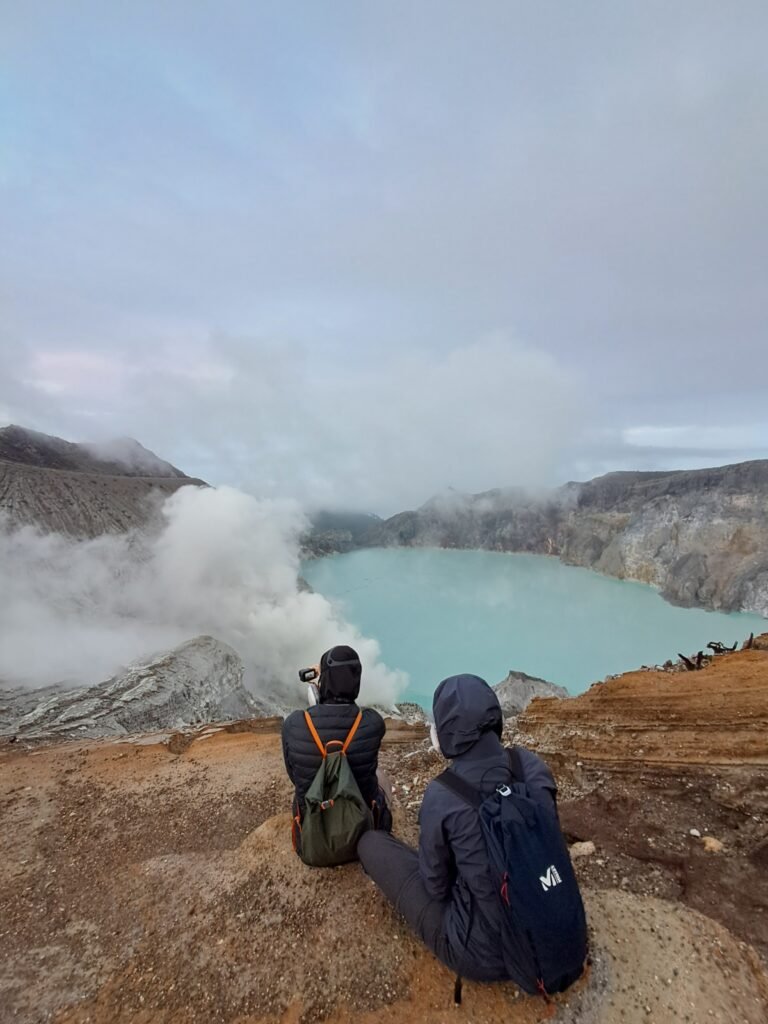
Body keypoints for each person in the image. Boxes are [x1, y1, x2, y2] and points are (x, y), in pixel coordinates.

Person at [358, 673, 565, 985]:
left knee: (373, 843)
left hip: (486, 954)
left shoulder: (443, 794)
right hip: (556, 933)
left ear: (445, 733)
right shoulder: (530, 765)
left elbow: (436, 887)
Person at [282, 645, 392, 857]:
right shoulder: (372, 722)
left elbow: (294, 776)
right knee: (380, 777)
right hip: (363, 835)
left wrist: (319, 689)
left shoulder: (294, 724)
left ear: (323, 683)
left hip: (313, 838)